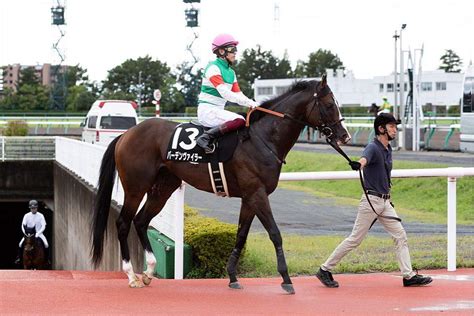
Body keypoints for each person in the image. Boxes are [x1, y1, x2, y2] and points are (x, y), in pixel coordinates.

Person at [316, 113, 433, 288]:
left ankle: (408, 276)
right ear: (381, 129)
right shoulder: (373, 147)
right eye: (392, 126)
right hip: (371, 201)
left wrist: (388, 197)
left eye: (395, 126)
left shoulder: (388, 149)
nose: (395, 130)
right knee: (355, 239)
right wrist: (359, 164)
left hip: (385, 202)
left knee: (400, 236)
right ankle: (325, 269)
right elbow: (364, 159)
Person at [196, 33, 259, 153]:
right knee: (239, 120)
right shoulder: (213, 68)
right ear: (221, 51)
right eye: (232, 49)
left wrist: (255, 103)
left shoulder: (231, 72)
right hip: (207, 111)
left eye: (235, 49)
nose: (235, 52)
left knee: (245, 118)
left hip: (218, 111)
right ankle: (205, 137)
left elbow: (238, 94)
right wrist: (248, 103)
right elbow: (225, 93)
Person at [15, 200, 50, 265]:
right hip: (28, 234)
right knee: (20, 244)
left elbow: (43, 226)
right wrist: (25, 233)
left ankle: (47, 260)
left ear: (37, 208)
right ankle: (19, 258)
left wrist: (38, 233)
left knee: (46, 244)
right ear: (30, 208)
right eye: (32, 208)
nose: (33, 209)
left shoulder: (41, 216)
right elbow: (23, 226)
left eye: (34, 208)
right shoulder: (26, 216)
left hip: (38, 233)